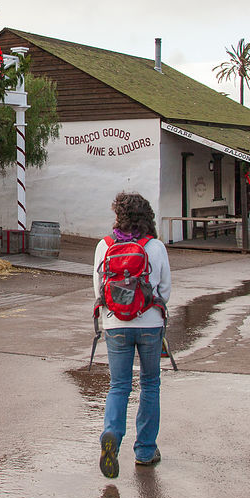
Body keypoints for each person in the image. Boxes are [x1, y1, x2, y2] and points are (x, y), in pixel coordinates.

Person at [95, 192, 171, 479]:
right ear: (146, 217)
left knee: (119, 385)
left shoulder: (104, 246)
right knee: (150, 384)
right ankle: (145, 451)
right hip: (150, 324)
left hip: (115, 325)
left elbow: (98, 289)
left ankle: (112, 433)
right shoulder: (156, 247)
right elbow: (165, 290)